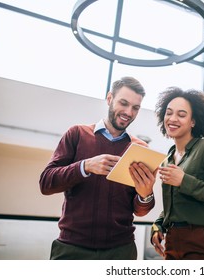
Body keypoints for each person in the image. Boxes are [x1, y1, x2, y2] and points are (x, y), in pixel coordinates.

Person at [39, 77, 157, 260]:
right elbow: (46, 183)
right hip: (72, 248)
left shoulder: (141, 149)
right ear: (109, 98)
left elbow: (141, 210)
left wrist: (145, 193)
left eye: (135, 107)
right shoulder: (77, 134)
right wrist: (84, 166)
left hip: (121, 252)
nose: (128, 112)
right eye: (123, 103)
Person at [150, 87, 204, 260]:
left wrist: (184, 181)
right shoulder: (168, 158)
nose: (173, 119)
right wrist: (158, 225)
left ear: (193, 122)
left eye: (181, 115)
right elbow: (174, 205)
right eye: (169, 113)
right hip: (173, 242)